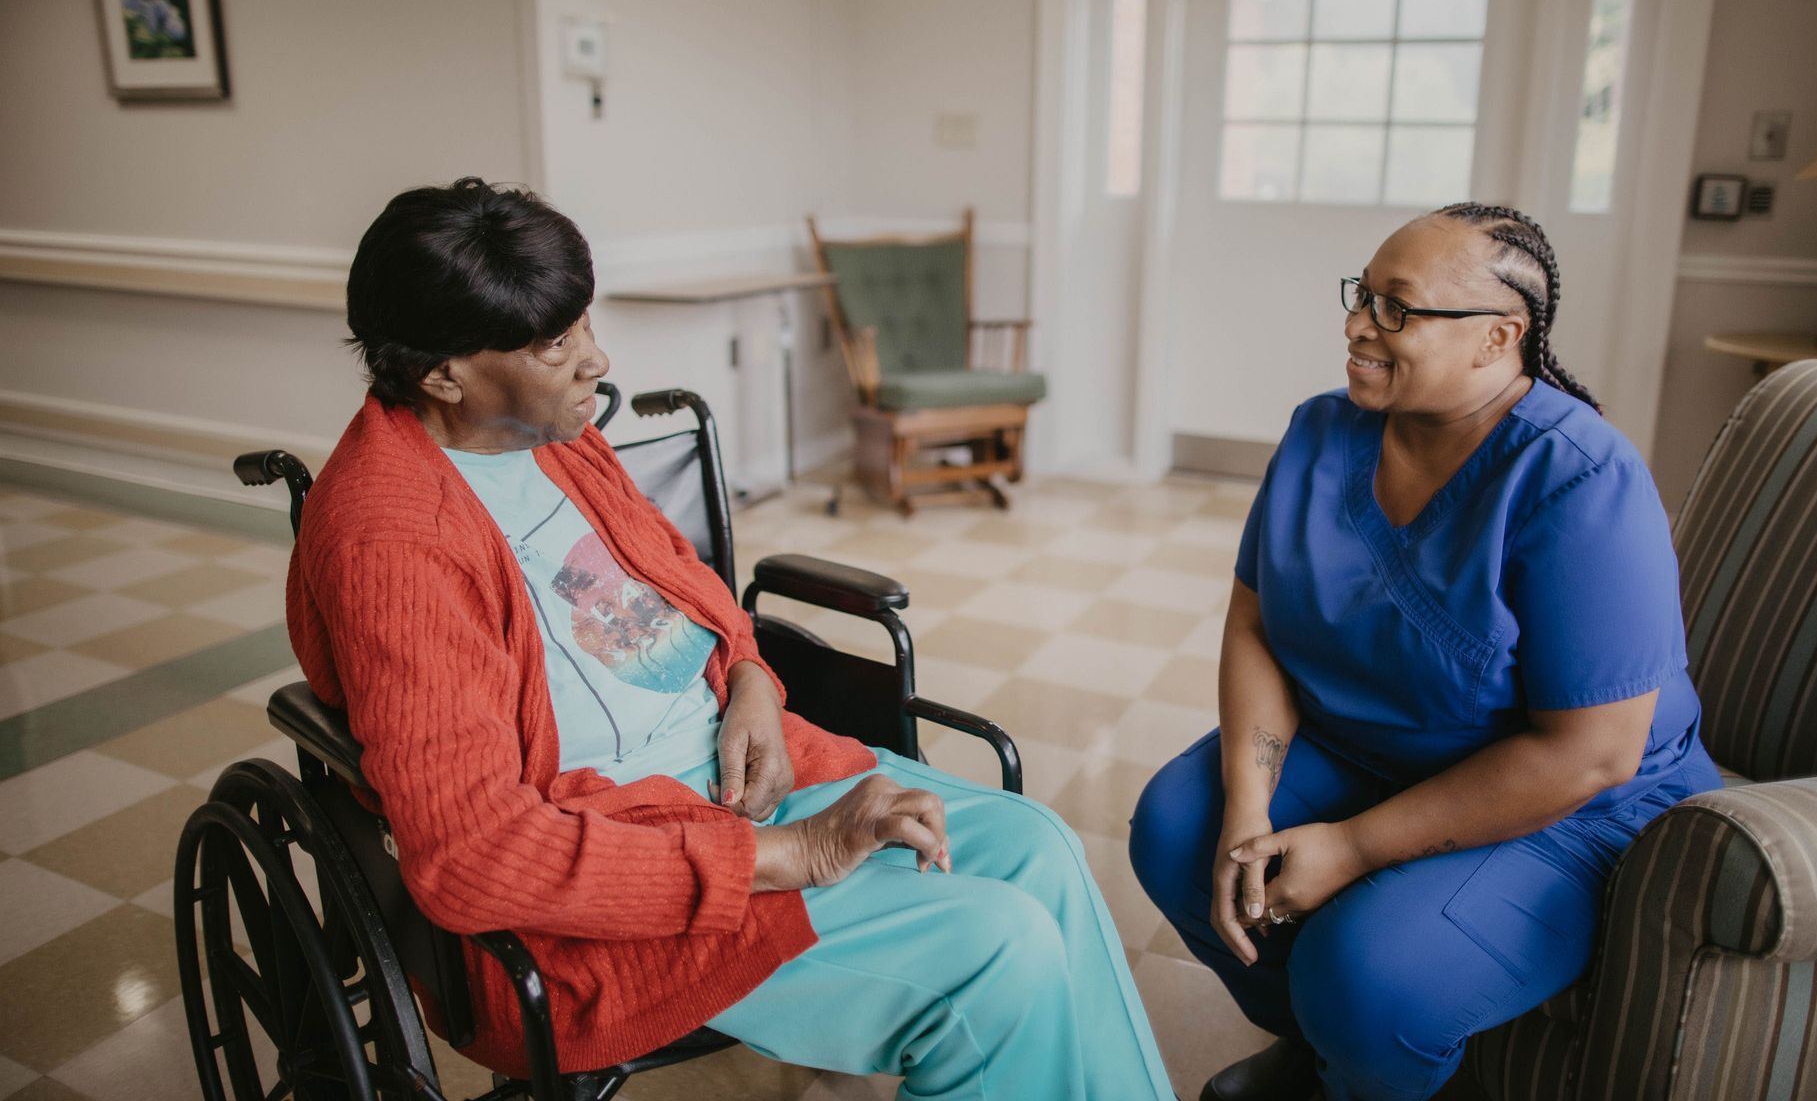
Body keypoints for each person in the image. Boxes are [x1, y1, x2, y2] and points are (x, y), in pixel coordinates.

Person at [288, 177, 1175, 1099]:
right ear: (444, 375)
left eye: (585, 324)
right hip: (617, 860)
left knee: (1041, 845)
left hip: (735, 775)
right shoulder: (393, 541)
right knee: (1001, 949)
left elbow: (682, 576)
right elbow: (475, 859)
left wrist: (751, 675)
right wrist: (790, 856)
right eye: (557, 343)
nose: (597, 360)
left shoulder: (548, 435)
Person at [1128, 203, 1721, 1101]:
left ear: (1498, 336)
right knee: (1180, 830)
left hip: (1572, 803)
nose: (1358, 325)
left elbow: (1592, 754)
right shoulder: (1322, 431)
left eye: (1395, 307)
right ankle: (1326, 1051)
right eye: (1361, 295)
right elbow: (1255, 623)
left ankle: (1363, 1050)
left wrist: (1355, 847)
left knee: (1366, 971)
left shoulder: (1579, 476)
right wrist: (1248, 805)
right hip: (1367, 747)